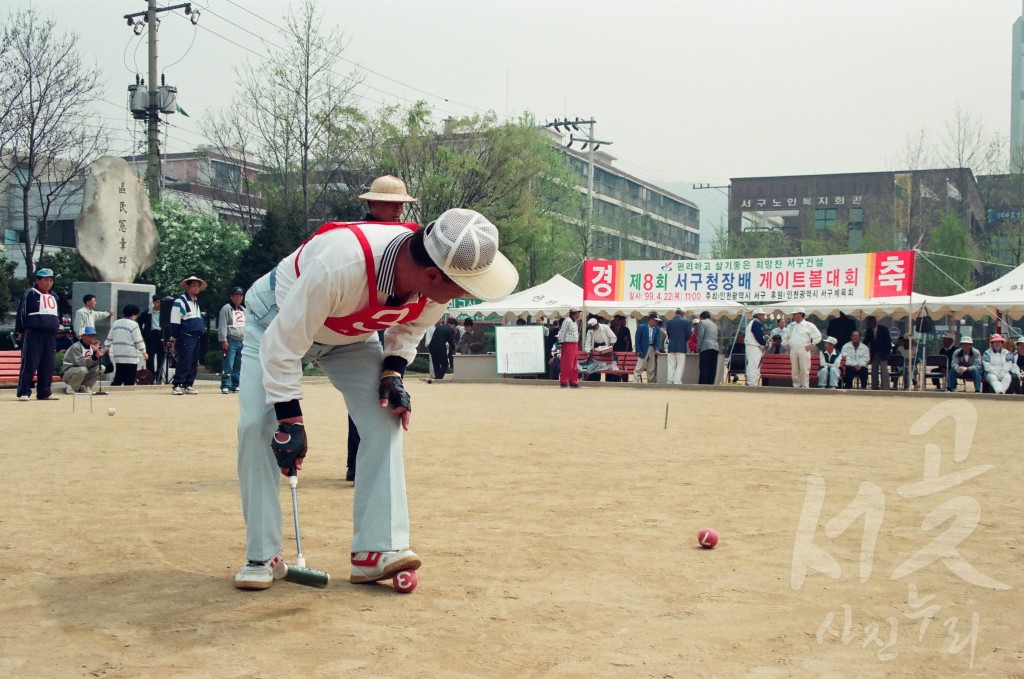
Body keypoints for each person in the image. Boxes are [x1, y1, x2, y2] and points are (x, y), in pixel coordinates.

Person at [233, 207, 517, 590]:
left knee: (386, 418)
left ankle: (376, 550)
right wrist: (290, 419)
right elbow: (282, 344)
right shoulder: (341, 263)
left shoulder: (436, 281)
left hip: (350, 336)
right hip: (274, 321)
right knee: (258, 426)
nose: (465, 294)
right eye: (463, 288)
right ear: (432, 275)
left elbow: (411, 327)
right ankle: (261, 553)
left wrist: (392, 372)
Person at [14, 268, 61, 401]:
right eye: (46, 280)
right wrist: (20, 330)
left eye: (51, 280)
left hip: (50, 335)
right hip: (34, 332)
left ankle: (45, 391)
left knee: (47, 363)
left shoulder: (54, 296)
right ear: (38, 280)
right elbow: (22, 313)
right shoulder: (30, 294)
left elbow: (57, 315)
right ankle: (24, 391)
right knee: (30, 362)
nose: (48, 283)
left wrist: (57, 328)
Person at [168, 275, 206, 395]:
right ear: (188, 287)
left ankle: (188, 384)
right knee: (185, 360)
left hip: (196, 336)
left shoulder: (196, 302)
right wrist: (173, 337)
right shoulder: (180, 301)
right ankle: (177, 384)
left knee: (194, 361)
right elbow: (175, 320)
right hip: (186, 335)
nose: (196, 287)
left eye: (197, 285)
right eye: (193, 285)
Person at [104, 304, 148, 386]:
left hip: (118, 354)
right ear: (133, 315)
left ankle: (113, 392)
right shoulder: (134, 324)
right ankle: (128, 395)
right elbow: (138, 340)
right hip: (130, 356)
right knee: (130, 379)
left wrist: (107, 347)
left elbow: (110, 336)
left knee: (119, 377)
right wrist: (144, 352)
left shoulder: (116, 323)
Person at [783, 308, 821, 389]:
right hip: (793, 349)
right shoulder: (791, 325)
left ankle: (804, 385)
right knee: (794, 369)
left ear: (801, 314)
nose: (793, 316)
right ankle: (796, 385)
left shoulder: (809, 325)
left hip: (804, 349)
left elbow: (818, 336)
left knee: (804, 368)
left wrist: (812, 344)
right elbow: (785, 337)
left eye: (795, 314)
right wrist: (786, 344)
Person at [60, 325, 106, 394]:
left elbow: (97, 364)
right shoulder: (76, 347)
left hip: (83, 371)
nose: (91, 338)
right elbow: (80, 363)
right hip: (68, 373)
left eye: (93, 336)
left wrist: (96, 353)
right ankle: (71, 387)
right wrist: (94, 357)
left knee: (101, 368)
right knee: (82, 369)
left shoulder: (93, 346)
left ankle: (84, 387)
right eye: (89, 336)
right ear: (82, 336)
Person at [219, 286, 246, 394]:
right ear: (231, 296)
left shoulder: (243, 309)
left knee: (238, 364)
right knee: (228, 363)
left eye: (240, 295)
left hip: (241, 340)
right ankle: (226, 384)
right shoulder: (226, 308)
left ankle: (236, 384)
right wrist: (223, 339)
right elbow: (222, 325)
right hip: (231, 339)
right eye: (236, 295)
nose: (238, 298)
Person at [138, 295, 166, 382]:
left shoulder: (165, 313)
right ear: (153, 302)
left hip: (161, 335)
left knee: (161, 357)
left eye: (160, 302)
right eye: (157, 302)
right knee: (150, 357)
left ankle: (159, 377)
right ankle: (150, 377)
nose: (159, 304)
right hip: (151, 335)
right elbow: (138, 323)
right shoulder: (147, 313)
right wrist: (143, 334)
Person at [863, 315, 892, 390]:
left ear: (873, 322)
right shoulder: (869, 331)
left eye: (868, 323)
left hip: (883, 353)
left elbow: (888, 341)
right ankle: (875, 387)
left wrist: (888, 352)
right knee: (874, 370)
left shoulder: (883, 329)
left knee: (884, 371)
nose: (867, 324)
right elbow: (866, 341)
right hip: (874, 353)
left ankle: (886, 387)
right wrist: (861, 345)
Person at [633, 312, 662, 383]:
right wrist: (638, 350)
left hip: (652, 348)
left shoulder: (657, 329)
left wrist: (657, 349)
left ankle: (651, 382)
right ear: (650, 320)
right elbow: (637, 339)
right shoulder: (641, 327)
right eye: (655, 321)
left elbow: (657, 340)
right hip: (643, 348)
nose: (656, 322)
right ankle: (635, 382)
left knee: (651, 367)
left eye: (657, 321)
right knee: (639, 366)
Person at [664, 309, 691, 385]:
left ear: (675, 314)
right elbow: (688, 335)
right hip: (681, 347)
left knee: (671, 366)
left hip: (671, 347)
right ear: (682, 314)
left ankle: (669, 381)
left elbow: (668, 334)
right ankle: (677, 382)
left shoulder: (669, 322)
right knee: (680, 366)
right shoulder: (686, 322)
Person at [557, 309, 582, 388]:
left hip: (574, 344)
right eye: (578, 313)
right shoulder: (567, 321)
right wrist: (561, 342)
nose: (579, 315)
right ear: (574, 314)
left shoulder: (575, 322)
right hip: (568, 344)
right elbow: (562, 332)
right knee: (567, 364)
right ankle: (564, 381)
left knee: (574, 364)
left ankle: (573, 381)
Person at [744, 309, 768, 387]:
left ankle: (752, 382)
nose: (764, 317)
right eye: (763, 315)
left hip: (754, 346)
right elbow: (758, 336)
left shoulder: (754, 323)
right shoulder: (756, 323)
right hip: (753, 346)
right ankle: (752, 383)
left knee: (754, 365)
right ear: (758, 315)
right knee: (753, 365)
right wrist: (764, 343)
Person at [695, 311, 720, 385]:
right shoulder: (714, 325)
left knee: (704, 366)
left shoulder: (702, 322)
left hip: (706, 346)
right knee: (712, 367)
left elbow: (700, 335)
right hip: (715, 347)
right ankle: (711, 383)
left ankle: (703, 383)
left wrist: (698, 346)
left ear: (701, 317)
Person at [607, 314, 633, 382]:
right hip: (613, 350)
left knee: (623, 366)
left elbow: (629, 341)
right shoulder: (610, 328)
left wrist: (629, 351)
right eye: (614, 320)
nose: (616, 321)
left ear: (620, 321)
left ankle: (624, 380)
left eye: (617, 320)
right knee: (613, 365)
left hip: (622, 350)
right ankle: (613, 380)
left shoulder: (625, 329)